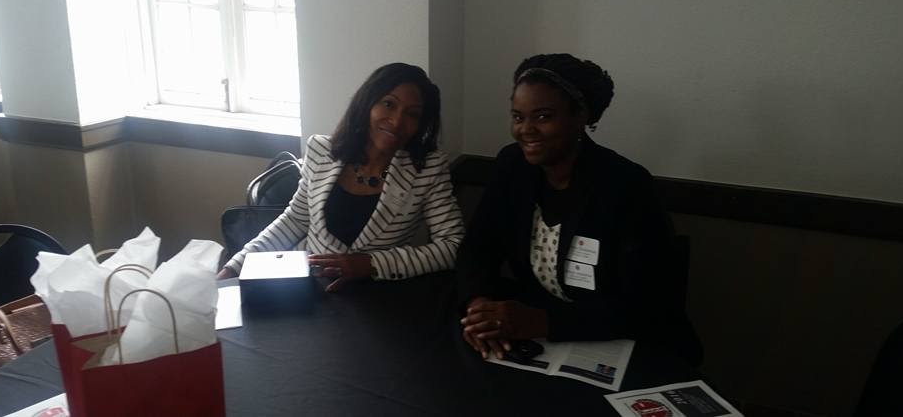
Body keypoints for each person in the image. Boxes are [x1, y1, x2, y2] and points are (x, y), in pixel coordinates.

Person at [455, 54, 701, 364]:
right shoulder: (512, 166)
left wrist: (544, 321)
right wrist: (479, 309)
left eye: (543, 116)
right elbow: (477, 249)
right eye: (518, 117)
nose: (526, 129)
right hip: (540, 341)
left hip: (624, 343)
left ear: (581, 116)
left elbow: (647, 305)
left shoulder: (626, 185)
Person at [219, 63, 465, 291]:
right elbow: (295, 220)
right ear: (367, 103)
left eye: (412, 114)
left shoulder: (427, 169)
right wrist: (236, 266)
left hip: (380, 297)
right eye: (389, 104)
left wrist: (372, 264)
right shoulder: (321, 151)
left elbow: (454, 245)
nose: (397, 121)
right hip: (309, 289)